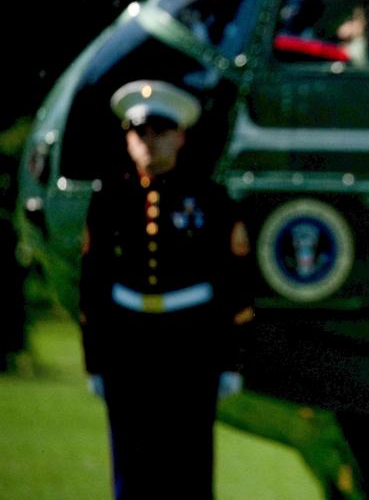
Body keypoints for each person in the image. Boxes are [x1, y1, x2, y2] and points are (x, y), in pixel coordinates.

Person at [79, 79, 255, 499]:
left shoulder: (210, 199)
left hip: (190, 344)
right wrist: (95, 361)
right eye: (140, 133)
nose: (149, 143)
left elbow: (235, 284)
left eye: (159, 132)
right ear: (128, 139)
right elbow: (93, 284)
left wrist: (231, 361)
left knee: (189, 464)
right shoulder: (110, 199)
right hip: (129, 345)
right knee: (130, 463)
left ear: (180, 136)